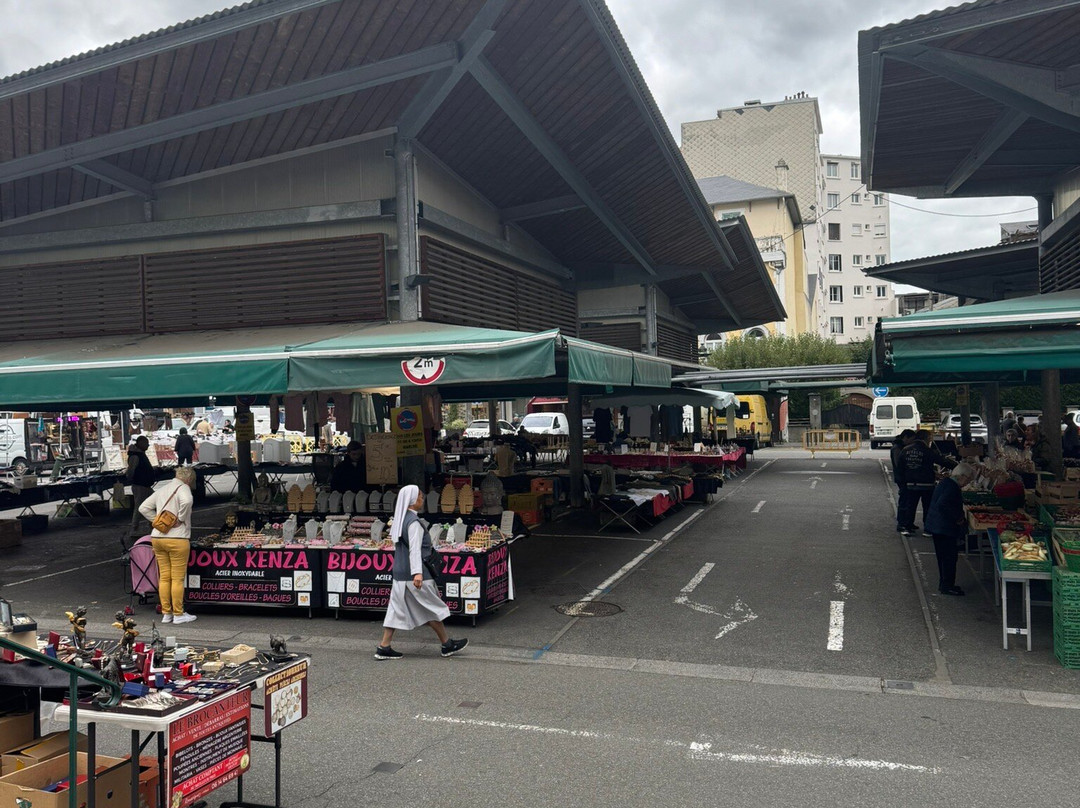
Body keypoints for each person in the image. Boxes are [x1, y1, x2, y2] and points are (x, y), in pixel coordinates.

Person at [375, 484, 468, 660]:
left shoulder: (400, 519)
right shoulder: (413, 523)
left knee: (395, 609)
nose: (422, 498)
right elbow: (415, 550)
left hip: (400, 573)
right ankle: (446, 644)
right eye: (419, 496)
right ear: (411, 500)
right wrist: (417, 573)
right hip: (416, 574)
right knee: (431, 606)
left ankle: (384, 646)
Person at [139, 466, 197, 624]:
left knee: (164, 577)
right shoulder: (183, 488)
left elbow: (143, 508)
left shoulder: (163, 489)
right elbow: (187, 501)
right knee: (177, 579)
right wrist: (181, 519)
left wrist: (159, 522)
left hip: (158, 538)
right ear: (189, 479)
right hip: (177, 538)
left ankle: (167, 613)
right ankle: (178, 614)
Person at [925, 462, 975, 596]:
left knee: (942, 557)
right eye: (968, 479)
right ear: (962, 476)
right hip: (944, 528)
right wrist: (958, 518)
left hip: (937, 526)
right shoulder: (952, 487)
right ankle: (947, 586)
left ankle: (944, 584)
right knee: (949, 558)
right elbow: (943, 504)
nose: (967, 483)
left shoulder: (946, 482)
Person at [898, 430, 936, 537]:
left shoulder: (905, 450)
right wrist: (957, 465)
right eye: (930, 438)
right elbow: (940, 460)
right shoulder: (928, 450)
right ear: (926, 438)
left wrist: (903, 481)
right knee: (927, 507)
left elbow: (900, 467)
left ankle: (907, 527)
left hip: (911, 484)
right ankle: (927, 529)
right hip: (927, 484)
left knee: (910, 506)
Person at [126, 436, 155, 540]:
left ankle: (152, 525)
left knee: (152, 504)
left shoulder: (140, 454)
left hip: (145, 484)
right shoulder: (136, 456)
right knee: (139, 507)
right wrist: (132, 479)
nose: (148, 445)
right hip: (140, 485)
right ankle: (134, 529)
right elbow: (131, 471)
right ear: (141, 443)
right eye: (146, 443)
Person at [890, 430, 915, 533]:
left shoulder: (899, 447)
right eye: (911, 439)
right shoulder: (897, 448)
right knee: (904, 500)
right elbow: (898, 464)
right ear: (905, 437)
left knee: (907, 500)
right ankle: (902, 523)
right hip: (902, 478)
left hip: (903, 477)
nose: (912, 442)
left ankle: (907, 522)